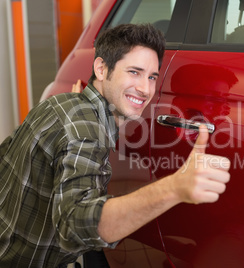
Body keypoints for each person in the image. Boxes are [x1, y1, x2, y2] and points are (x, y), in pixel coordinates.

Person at [0, 23, 230, 268]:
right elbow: (74, 227)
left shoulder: (60, 104)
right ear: (101, 68)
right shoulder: (85, 131)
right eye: (134, 72)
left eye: (152, 76)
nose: (145, 89)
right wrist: (174, 187)